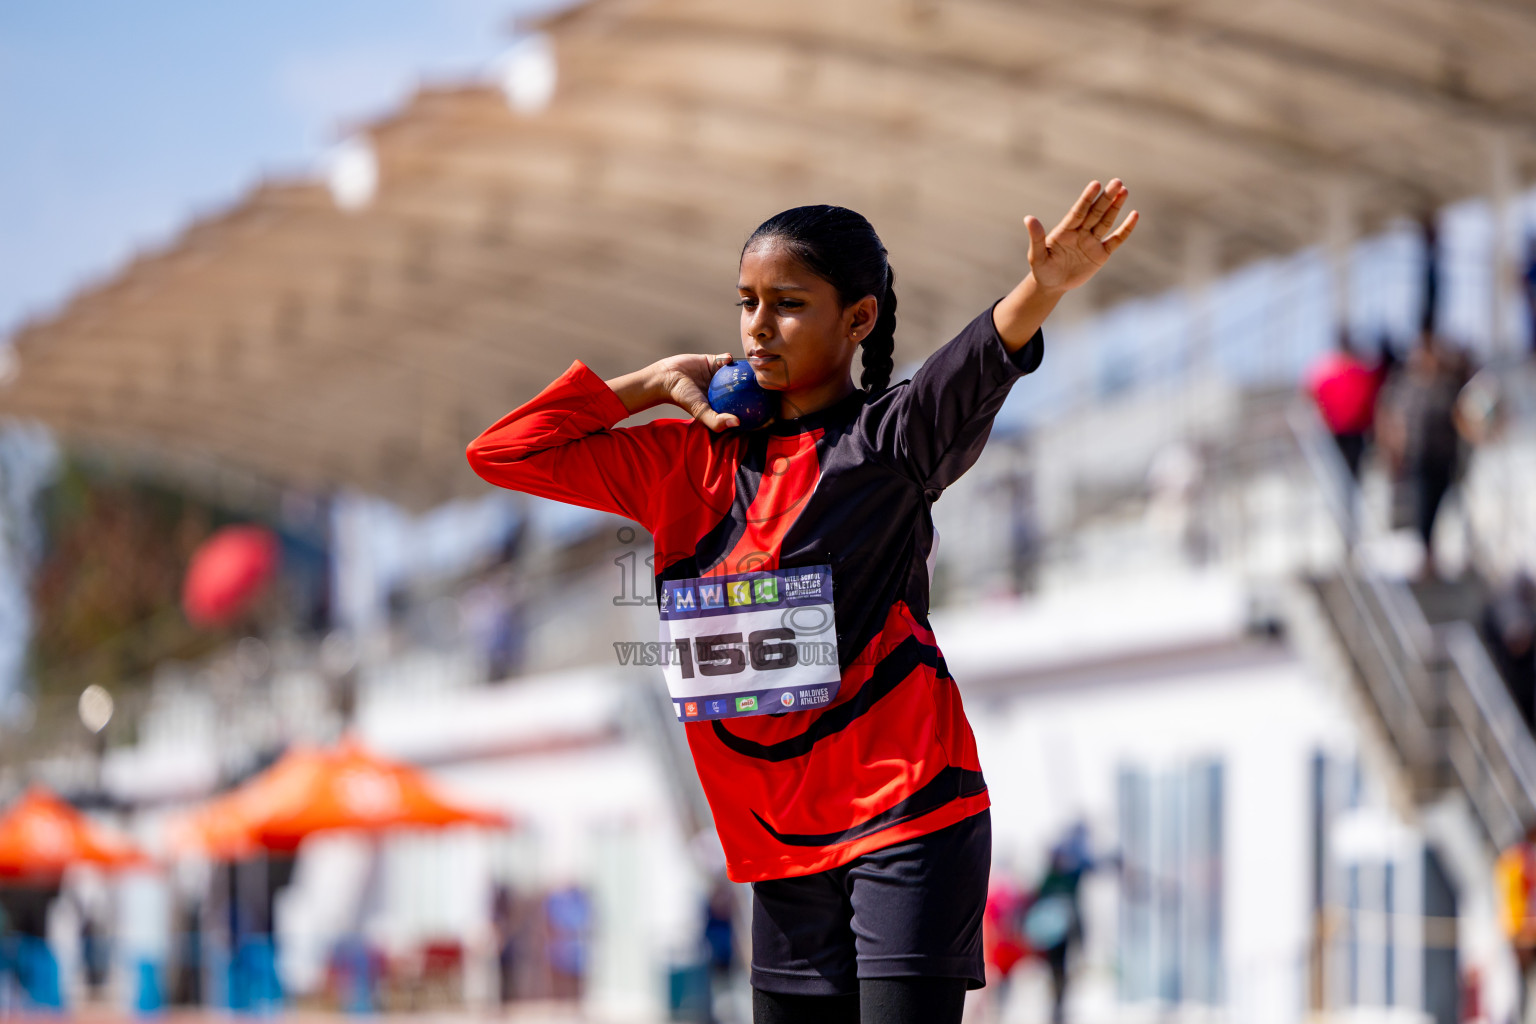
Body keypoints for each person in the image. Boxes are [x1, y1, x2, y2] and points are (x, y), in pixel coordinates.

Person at [467, 181, 1138, 1024]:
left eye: (788, 304)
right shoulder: (686, 465)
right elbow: (502, 454)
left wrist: (1044, 286)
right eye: (746, 302)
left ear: (859, 319)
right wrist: (652, 380)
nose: (756, 325)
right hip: (777, 847)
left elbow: (976, 362)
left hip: (908, 816)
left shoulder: (890, 442)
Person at [1376, 329, 1472, 579]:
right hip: (1418, 456)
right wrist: (1392, 449)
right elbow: (1391, 418)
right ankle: (1426, 556)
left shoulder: (1447, 385)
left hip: (1445, 456)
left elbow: (1461, 415)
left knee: (1441, 505)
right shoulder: (1406, 385)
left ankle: (1436, 554)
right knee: (1421, 506)